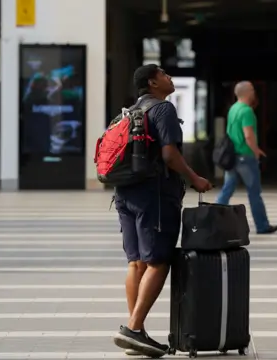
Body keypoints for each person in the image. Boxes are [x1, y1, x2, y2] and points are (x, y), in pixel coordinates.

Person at [112, 64, 212, 358]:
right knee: (158, 261)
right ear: (154, 82)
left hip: (125, 193)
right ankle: (133, 328)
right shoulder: (162, 110)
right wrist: (194, 178)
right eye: (165, 74)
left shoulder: (130, 111)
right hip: (154, 196)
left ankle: (136, 333)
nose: (169, 77)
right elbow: (169, 155)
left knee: (136, 263)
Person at [215, 81, 277, 234]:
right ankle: (262, 226)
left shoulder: (233, 109)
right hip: (245, 156)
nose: (254, 92)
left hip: (233, 157)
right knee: (254, 193)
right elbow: (248, 135)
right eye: (252, 90)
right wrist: (256, 151)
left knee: (227, 190)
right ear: (246, 93)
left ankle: (213, 220)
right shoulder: (247, 111)